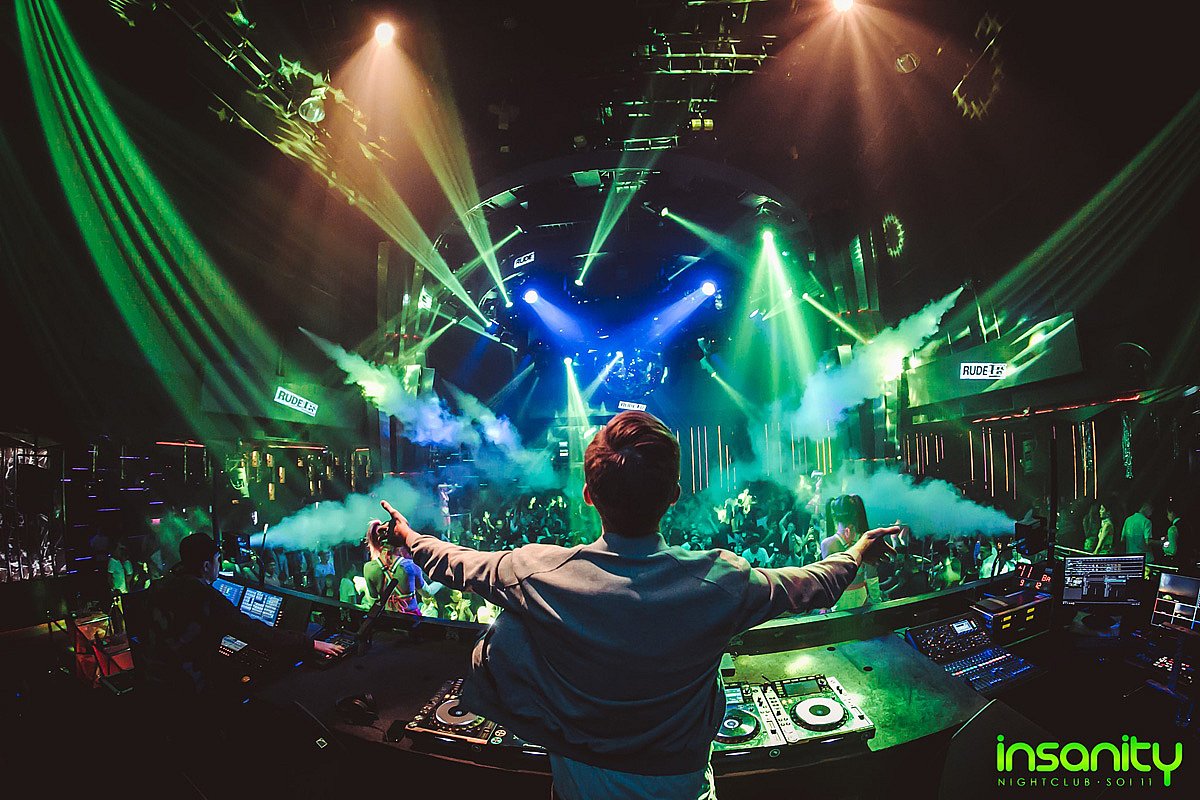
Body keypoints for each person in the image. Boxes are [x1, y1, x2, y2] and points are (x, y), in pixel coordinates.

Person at [380, 411, 896, 800]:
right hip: (680, 784)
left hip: (579, 783)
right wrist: (856, 552)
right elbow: (811, 585)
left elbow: (459, 564)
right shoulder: (719, 580)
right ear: (674, 493)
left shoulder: (538, 571)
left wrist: (409, 540)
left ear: (588, 495)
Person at [138, 532, 342, 696]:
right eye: (217, 560)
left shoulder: (160, 586)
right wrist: (309, 643)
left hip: (153, 678)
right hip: (184, 687)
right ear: (206, 566)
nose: (219, 565)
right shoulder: (204, 596)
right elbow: (252, 631)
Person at [819, 495, 883, 610]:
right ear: (856, 513)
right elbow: (872, 576)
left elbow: (828, 581)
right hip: (860, 597)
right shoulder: (866, 540)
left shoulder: (827, 544)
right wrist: (877, 602)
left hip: (839, 600)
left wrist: (825, 606)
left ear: (834, 515)